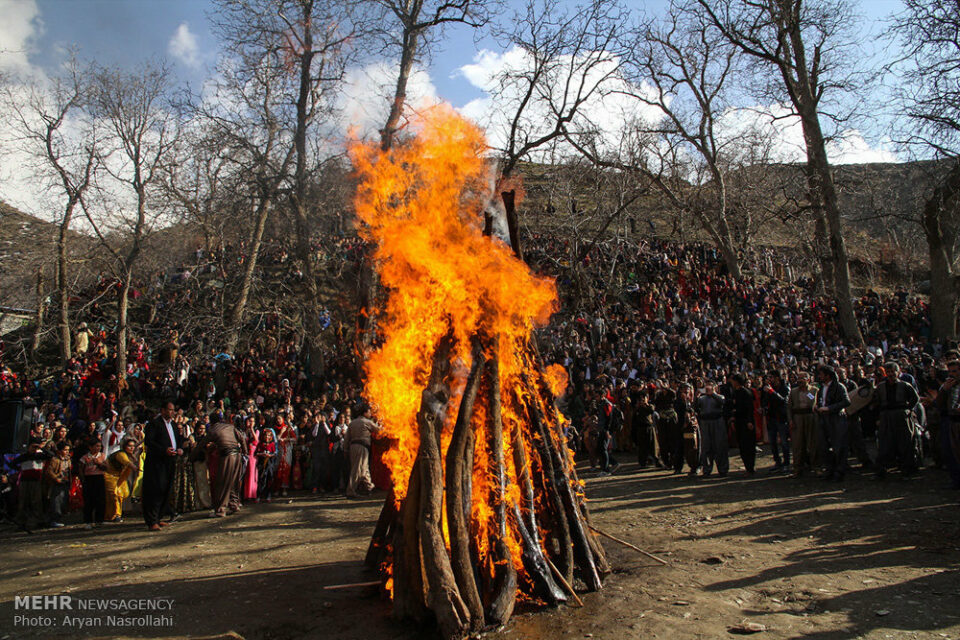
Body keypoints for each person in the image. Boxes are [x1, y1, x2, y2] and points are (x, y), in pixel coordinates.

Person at [873, 362, 921, 479]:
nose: (890, 374)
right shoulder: (880, 387)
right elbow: (876, 402)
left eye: (893, 372)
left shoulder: (905, 385)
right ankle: (882, 470)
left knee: (905, 443)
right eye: (888, 372)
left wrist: (908, 409)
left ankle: (907, 470)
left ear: (898, 372)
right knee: (884, 443)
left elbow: (915, 398)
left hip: (901, 415)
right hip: (886, 416)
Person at [142, 401, 182, 531]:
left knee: (166, 489)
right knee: (156, 490)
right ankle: (152, 520)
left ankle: (159, 517)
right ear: (163, 410)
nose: (171, 412)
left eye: (173, 410)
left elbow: (178, 439)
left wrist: (180, 448)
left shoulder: (173, 425)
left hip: (170, 461)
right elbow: (149, 442)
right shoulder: (154, 424)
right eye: (169, 410)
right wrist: (164, 450)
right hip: (156, 462)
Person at [201, 418, 247, 517]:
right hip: (237, 455)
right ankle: (234, 504)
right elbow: (242, 438)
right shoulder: (230, 427)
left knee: (223, 483)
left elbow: (202, 444)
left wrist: (192, 456)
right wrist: (245, 451)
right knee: (234, 482)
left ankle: (221, 510)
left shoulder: (214, 430)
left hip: (227, 456)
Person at [816, 365, 851, 482]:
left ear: (828, 375)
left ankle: (840, 471)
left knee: (839, 445)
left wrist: (830, 408)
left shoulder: (839, 387)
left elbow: (846, 402)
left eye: (821, 374)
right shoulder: (821, 388)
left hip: (836, 419)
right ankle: (830, 469)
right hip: (824, 419)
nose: (819, 376)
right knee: (825, 445)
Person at [15, 437, 51, 532]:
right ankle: (21, 522)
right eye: (32, 447)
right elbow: (12, 463)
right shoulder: (23, 456)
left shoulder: (40, 456)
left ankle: (39, 520)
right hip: (24, 481)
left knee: (36, 501)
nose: (34, 449)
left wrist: (42, 448)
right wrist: (19, 470)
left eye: (35, 447)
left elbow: (51, 455)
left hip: (36, 481)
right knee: (23, 501)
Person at [346, 404, 381, 497]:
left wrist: (346, 449)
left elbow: (347, 438)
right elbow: (378, 431)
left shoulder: (352, 423)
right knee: (357, 469)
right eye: (369, 412)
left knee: (364, 468)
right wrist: (380, 424)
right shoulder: (366, 422)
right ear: (365, 413)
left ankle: (370, 487)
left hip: (353, 447)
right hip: (361, 447)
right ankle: (350, 490)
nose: (370, 413)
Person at [788, 372, 819, 477]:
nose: (800, 380)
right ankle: (797, 469)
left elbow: (815, 403)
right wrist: (790, 420)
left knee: (812, 443)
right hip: (797, 418)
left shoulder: (814, 390)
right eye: (799, 378)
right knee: (797, 444)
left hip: (810, 417)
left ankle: (816, 466)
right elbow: (789, 408)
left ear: (808, 379)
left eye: (802, 378)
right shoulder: (793, 392)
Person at [696, 381, 728, 477]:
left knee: (720, 445)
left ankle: (723, 469)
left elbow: (722, 402)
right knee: (706, 447)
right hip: (705, 422)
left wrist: (713, 394)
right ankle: (707, 469)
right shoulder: (702, 398)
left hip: (717, 421)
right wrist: (696, 397)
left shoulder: (720, 396)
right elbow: (696, 407)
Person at [727, 374, 757, 475]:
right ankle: (747, 466)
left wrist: (749, 421)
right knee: (742, 445)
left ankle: (750, 467)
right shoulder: (735, 392)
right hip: (739, 421)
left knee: (748, 445)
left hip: (746, 421)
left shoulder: (746, 392)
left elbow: (749, 408)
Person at [762, 371, 791, 473]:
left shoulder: (785, 387)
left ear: (777, 378)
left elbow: (784, 401)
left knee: (783, 442)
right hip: (771, 418)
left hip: (781, 418)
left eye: (771, 377)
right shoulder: (768, 388)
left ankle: (787, 463)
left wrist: (772, 392)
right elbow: (765, 401)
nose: (769, 379)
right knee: (772, 442)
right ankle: (777, 462)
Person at [104, 439, 138, 522]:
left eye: (133, 446)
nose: (131, 448)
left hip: (119, 478)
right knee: (114, 496)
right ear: (125, 446)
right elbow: (126, 462)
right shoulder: (121, 454)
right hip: (110, 477)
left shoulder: (130, 455)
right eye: (129, 446)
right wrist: (134, 468)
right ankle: (114, 515)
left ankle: (117, 514)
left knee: (122, 494)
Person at [79, 440, 107, 528]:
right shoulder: (85, 457)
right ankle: (88, 521)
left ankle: (100, 519)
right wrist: (83, 480)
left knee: (101, 500)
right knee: (89, 501)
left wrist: (99, 463)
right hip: (89, 479)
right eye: (96, 446)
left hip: (99, 478)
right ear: (90, 447)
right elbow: (81, 469)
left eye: (99, 446)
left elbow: (106, 467)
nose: (98, 448)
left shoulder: (102, 456)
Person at [44, 441, 72, 527]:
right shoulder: (55, 459)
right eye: (65, 450)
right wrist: (56, 478)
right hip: (57, 482)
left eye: (68, 450)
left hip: (65, 481)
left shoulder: (68, 459)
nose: (67, 452)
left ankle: (59, 518)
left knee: (63, 501)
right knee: (56, 501)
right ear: (59, 451)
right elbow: (49, 471)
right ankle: (54, 519)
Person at [256, 428, 278, 502]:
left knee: (269, 479)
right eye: (266, 435)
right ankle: (259, 495)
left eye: (269, 435)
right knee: (262, 479)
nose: (267, 437)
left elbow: (275, 453)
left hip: (269, 464)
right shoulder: (260, 444)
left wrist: (270, 455)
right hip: (262, 464)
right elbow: (256, 453)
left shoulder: (272, 444)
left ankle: (268, 495)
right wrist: (262, 454)